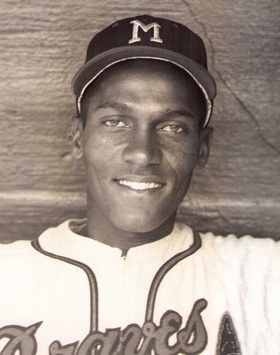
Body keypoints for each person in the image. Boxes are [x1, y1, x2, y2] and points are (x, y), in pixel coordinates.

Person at [0, 14, 279, 355]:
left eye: (172, 127)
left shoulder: (262, 277)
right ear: (77, 138)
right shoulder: (6, 278)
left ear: (202, 147)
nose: (142, 153)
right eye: (115, 121)